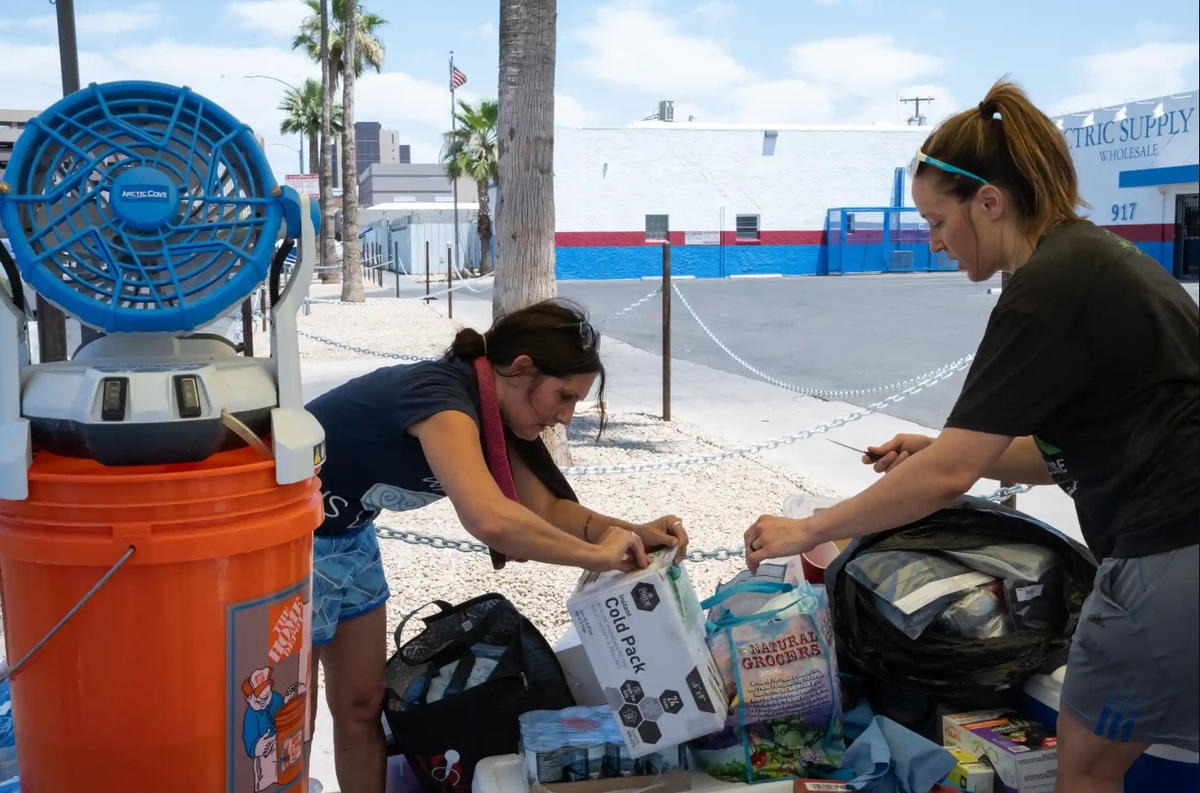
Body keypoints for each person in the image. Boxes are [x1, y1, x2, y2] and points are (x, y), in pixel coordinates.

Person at [744, 79, 1198, 793]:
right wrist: (945, 449)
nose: (932, 242)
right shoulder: (1094, 259)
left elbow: (946, 479)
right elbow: (1059, 449)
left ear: (989, 200)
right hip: (1183, 550)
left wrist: (809, 528)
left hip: (1168, 549)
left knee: (1082, 763)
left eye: (936, 220)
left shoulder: (1047, 285)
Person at [304, 299, 688, 793]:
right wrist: (597, 555)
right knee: (290, 714)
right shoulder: (440, 397)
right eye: (563, 396)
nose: (566, 418)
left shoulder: (493, 412)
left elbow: (547, 510)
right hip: (281, 542)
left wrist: (634, 531)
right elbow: (490, 518)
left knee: (361, 705)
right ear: (522, 368)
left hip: (350, 539)